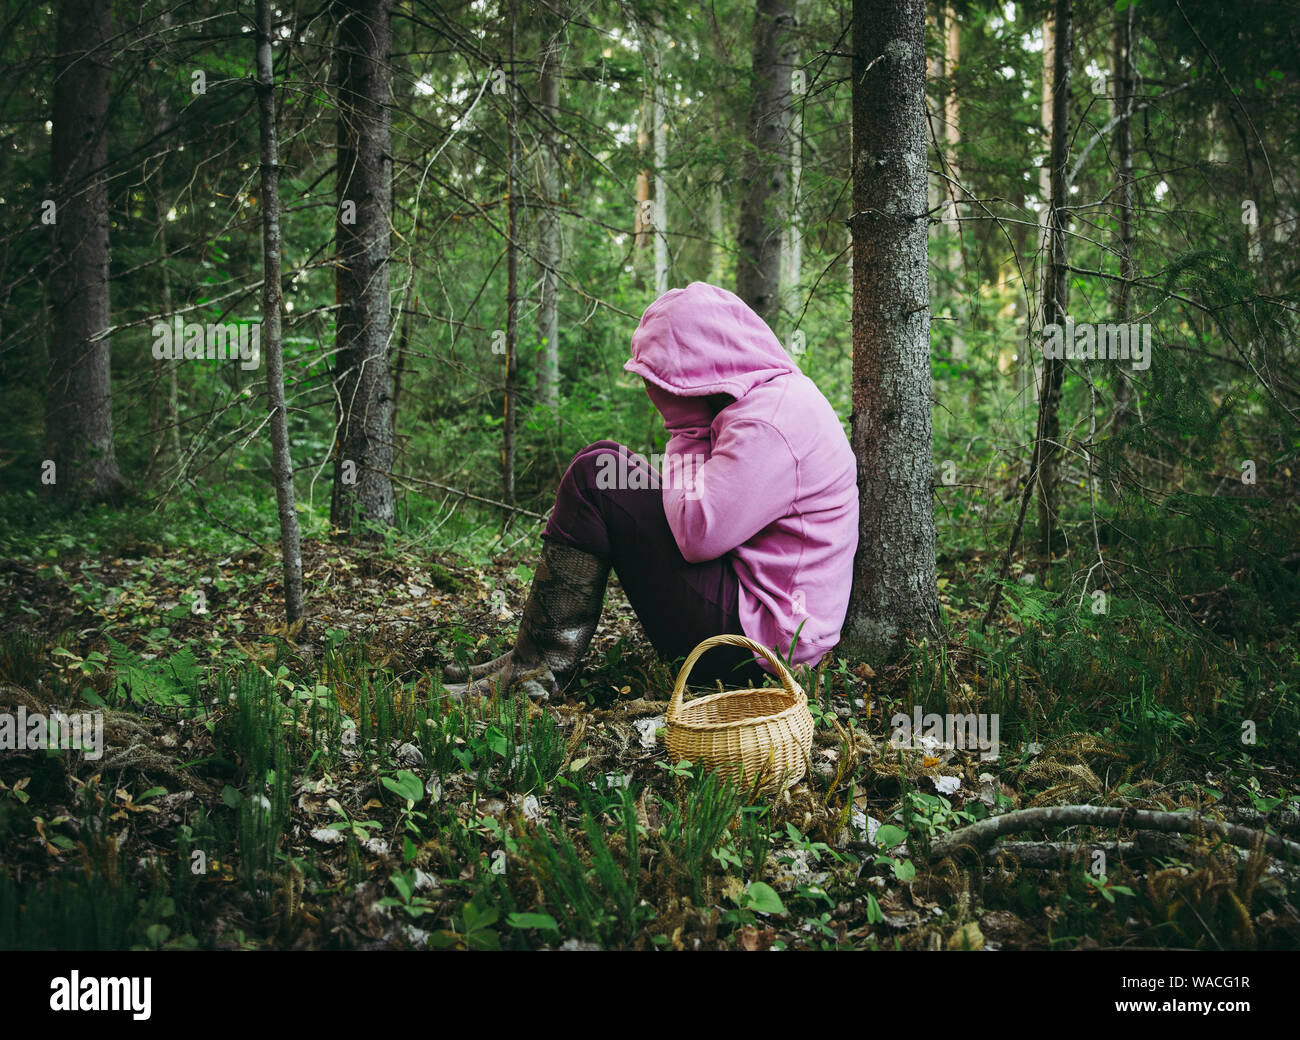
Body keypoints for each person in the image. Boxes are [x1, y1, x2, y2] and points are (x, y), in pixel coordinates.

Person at [442, 281, 859, 699]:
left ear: (701, 368)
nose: (654, 391)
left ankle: (535, 667)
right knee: (604, 465)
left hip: (757, 650)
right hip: (767, 624)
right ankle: (530, 657)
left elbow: (697, 536)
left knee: (596, 475)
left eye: (662, 379)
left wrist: (685, 431)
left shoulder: (768, 424)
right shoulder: (772, 400)